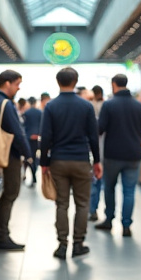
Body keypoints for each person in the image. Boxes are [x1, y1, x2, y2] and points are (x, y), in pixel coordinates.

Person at [40, 67, 101, 259]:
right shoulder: (86, 106)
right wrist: (97, 161)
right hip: (81, 160)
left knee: (61, 204)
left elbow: (46, 137)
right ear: (75, 81)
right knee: (83, 204)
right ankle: (78, 243)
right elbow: (93, 137)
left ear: (58, 82)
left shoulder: (51, 106)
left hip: (58, 160)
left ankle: (62, 245)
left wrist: (44, 163)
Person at [0, 70, 32, 251]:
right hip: (9, 155)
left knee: (6, 193)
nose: (18, 88)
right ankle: (3, 235)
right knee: (11, 192)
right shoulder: (6, 104)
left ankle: (1, 233)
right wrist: (28, 153)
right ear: (7, 83)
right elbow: (18, 133)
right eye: (17, 84)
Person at [96, 74, 141, 236]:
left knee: (109, 188)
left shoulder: (109, 105)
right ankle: (126, 225)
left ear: (114, 85)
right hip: (133, 154)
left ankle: (109, 219)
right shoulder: (139, 106)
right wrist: (134, 140)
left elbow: (100, 129)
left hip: (113, 154)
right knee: (129, 191)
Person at [87, 84, 106, 221]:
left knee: (95, 183)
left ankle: (93, 209)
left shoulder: (89, 107)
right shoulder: (106, 106)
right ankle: (97, 210)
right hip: (104, 150)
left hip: (95, 150)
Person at [22, 97, 43, 187]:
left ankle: (33, 175)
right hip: (37, 137)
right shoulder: (40, 113)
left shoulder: (26, 113)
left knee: (29, 157)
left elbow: (24, 126)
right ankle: (34, 173)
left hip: (28, 137)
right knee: (35, 158)